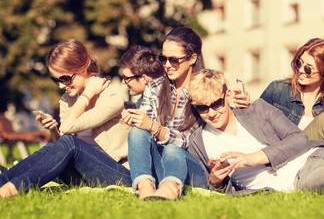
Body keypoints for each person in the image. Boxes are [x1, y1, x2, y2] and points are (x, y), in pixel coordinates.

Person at [187, 69, 324, 195]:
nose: (212, 113)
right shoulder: (199, 142)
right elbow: (212, 189)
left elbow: (300, 138)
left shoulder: (257, 109)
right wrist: (216, 181)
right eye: (202, 108)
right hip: (299, 177)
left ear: (227, 95)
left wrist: (253, 158)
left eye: (217, 104)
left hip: (318, 153)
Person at [0, 39, 132, 198]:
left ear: (83, 68)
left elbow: (69, 130)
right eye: (56, 80)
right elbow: (63, 144)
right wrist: (53, 130)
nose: (61, 86)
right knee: (51, 147)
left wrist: (87, 95)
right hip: (83, 172)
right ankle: (3, 181)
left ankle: (14, 188)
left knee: (70, 143)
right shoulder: (68, 99)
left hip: (118, 173)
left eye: (65, 78)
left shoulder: (111, 97)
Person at [121, 27, 207, 200]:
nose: (167, 65)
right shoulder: (155, 87)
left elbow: (188, 142)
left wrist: (154, 128)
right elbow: (145, 128)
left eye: (174, 60)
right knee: (137, 131)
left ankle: (170, 190)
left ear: (192, 59)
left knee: (172, 151)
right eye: (163, 58)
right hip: (161, 164)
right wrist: (138, 121)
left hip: (191, 167)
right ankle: (145, 188)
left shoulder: (203, 89)